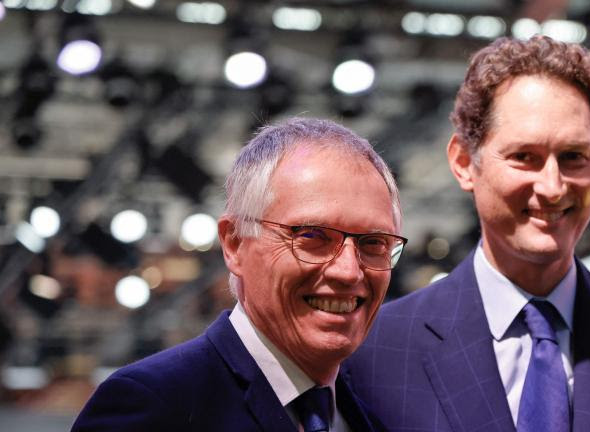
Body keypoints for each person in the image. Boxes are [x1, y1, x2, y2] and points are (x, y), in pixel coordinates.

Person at [343, 35, 590, 432]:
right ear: (464, 162)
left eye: (573, 157)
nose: (552, 186)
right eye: (524, 157)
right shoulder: (374, 350)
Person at [72, 118, 407, 431]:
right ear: (234, 244)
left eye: (374, 242)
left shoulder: (376, 415)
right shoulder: (154, 405)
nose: (348, 271)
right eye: (312, 236)